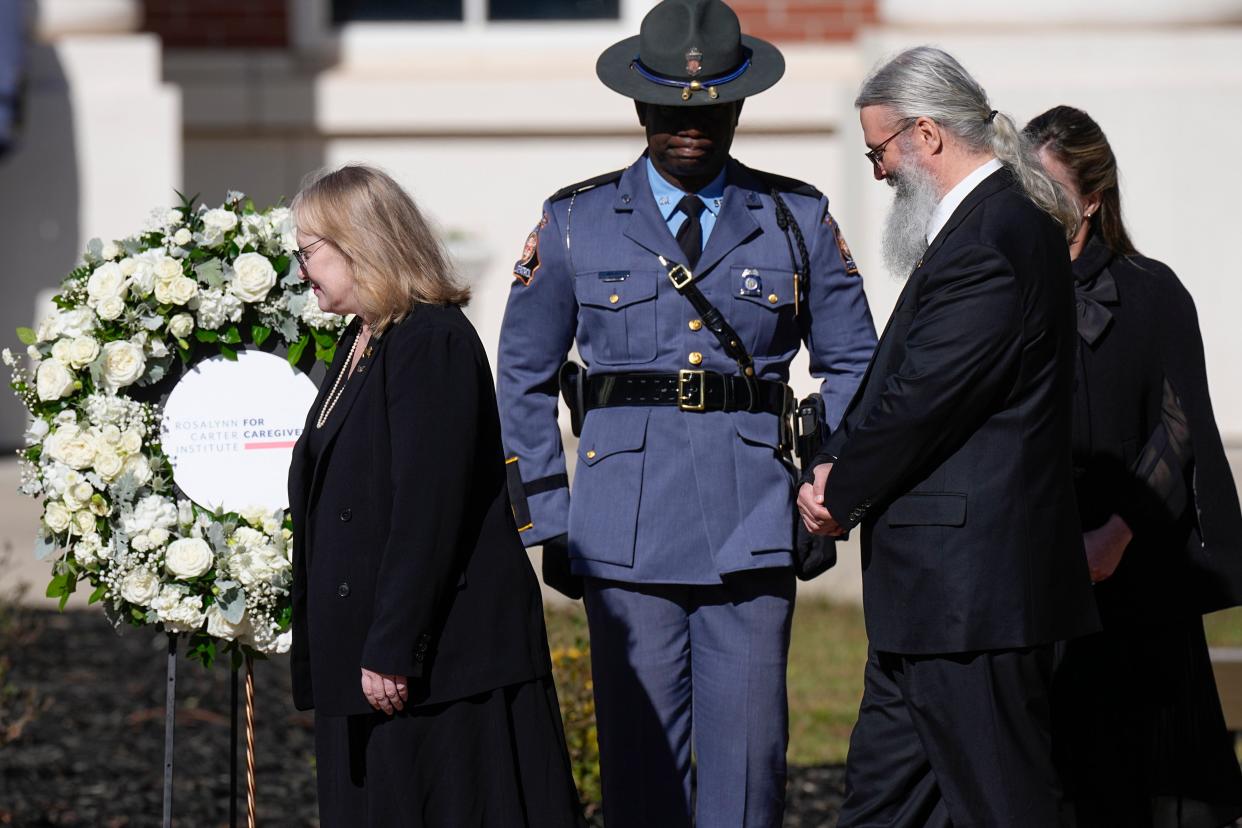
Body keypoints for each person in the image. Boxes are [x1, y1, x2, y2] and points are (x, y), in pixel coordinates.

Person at [496, 1, 877, 823]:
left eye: (710, 111)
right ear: (640, 106)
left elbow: (855, 365)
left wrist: (826, 480)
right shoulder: (576, 222)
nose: (691, 128)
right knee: (641, 775)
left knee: (748, 774)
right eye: (672, 110)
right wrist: (550, 520)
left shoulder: (796, 217)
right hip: (621, 528)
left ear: (740, 105)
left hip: (752, 521)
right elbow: (522, 377)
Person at [797, 47, 1100, 826]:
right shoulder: (985, 226)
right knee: (882, 804)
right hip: (933, 605)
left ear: (926, 134)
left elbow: (925, 398)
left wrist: (842, 487)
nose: (877, 173)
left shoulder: (995, 236)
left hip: (974, 603)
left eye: (879, 152)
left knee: (1006, 806)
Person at [285, 165, 583, 827]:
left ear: (358, 243)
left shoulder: (430, 341)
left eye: (308, 251)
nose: (300, 269)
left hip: (440, 668)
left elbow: (428, 512)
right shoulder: (366, 337)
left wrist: (392, 646)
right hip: (378, 661)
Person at [1026, 105, 1242, 828]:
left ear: (1092, 198)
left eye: (1051, 190)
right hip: (1037, 568)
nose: (1036, 205)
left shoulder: (1153, 290)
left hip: (1138, 570)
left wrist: (1116, 534)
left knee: (1144, 782)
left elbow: (1179, 427)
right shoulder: (1005, 291)